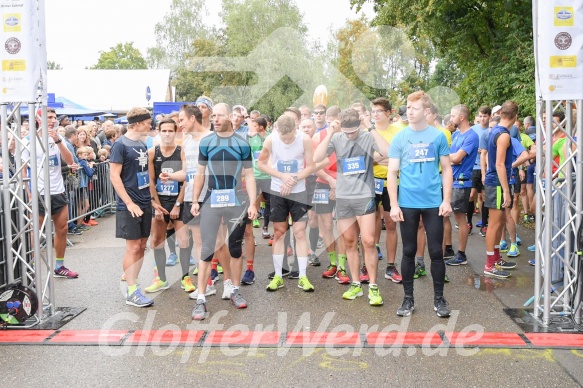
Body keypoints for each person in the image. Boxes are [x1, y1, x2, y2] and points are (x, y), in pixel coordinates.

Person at [314, 108, 390, 306]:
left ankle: (373, 286)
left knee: (368, 241)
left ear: (359, 124)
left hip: (364, 195)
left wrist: (369, 126)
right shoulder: (337, 137)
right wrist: (330, 132)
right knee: (349, 241)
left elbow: (387, 152)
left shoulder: (366, 135)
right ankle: (355, 284)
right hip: (344, 197)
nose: (350, 135)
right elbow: (316, 158)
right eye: (347, 132)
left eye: (353, 131)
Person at [387, 91, 453, 318]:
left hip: (434, 203)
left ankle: (439, 299)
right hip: (407, 204)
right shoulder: (400, 137)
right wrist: (394, 205)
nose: (409, 111)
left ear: (426, 111)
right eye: (408, 107)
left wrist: (446, 200)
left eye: (413, 108)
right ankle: (408, 300)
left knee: (436, 251)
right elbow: (392, 172)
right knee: (408, 251)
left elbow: (447, 170)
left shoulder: (438, 137)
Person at [190, 103, 258, 320]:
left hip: (237, 199)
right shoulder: (207, 141)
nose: (216, 119)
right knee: (207, 249)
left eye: (220, 116)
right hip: (212, 199)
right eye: (214, 116)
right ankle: (201, 298)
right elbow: (200, 174)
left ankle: (235, 291)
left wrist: (254, 203)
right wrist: (194, 200)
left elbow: (250, 174)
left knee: (235, 247)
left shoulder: (242, 143)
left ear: (230, 117)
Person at [259, 115, 317, 293]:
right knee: (279, 232)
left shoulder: (304, 139)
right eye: (283, 137)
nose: (286, 140)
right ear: (277, 130)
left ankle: (302, 276)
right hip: (278, 190)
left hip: (298, 191)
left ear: (295, 129)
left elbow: (311, 166)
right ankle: (278, 276)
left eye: (289, 136)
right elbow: (261, 163)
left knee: (300, 233)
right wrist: (282, 176)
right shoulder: (271, 139)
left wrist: (294, 178)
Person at [23, 108, 78, 278]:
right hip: (39, 191)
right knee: (36, 232)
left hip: (58, 190)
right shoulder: (28, 140)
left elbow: (70, 161)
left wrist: (58, 141)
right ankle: (33, 265)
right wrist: (29, 194)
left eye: (54, 117)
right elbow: (23, 170)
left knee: (62, 228)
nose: (53, 120)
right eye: (49, 117)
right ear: (38, 119)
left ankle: (59, 266)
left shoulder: (58, 138)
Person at [109, 107, 154, 307]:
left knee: (142, 245)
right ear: (136, 123)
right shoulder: (120, 145)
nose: (150, 125)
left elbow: (143, 175)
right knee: (133, 246)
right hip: (129, 205)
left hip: (145, 202)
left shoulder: (141, 144)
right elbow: (114, 176)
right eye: (147, 121)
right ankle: (132, 291)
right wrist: (128, 202)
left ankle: (134, 287)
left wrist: (152, 200)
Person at [144, 118, 192, 293]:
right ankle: (161, 279)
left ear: (175, 132)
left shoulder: (181, 151)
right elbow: (150, 179)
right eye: (163, 131)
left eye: (170, 131)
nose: (167, 134)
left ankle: (186, 278)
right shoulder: (152, 152)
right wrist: (155, 204)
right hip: (159, 201)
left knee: (184, 240)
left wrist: (178, 204)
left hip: (179, 200)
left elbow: (187, 178)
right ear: (158, 132)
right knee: (156, 240)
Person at [482, 101, 519, 279]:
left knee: (500, 222)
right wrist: (505, 190)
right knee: (495, 224)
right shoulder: (503, 135)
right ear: (515, 116)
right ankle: (490, 264)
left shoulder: (495, 130)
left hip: (495, 182)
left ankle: (496, 258)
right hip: (497, 183)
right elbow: (499, 164)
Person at [369, 97, 402, 283]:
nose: (375, 114)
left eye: (379, 111)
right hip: (370, 181)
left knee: (390, 224)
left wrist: (380, 157)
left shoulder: (397, 133)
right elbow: (366, 159)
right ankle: (368, 264)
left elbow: (398, 158)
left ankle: (391, 266)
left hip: (391, 182)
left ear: (388, 113)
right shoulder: (367, 133)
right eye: (373, 111)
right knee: (370, 223)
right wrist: (383, 157)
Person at [444, 104, 479, 266]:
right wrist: (449, 157)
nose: (451, 119)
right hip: (451, 181)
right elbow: (452, 157)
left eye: (453, 116)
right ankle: (448, 249)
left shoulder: (471, 136)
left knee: (460, 219)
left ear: (462, 117)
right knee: (444, 216)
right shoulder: (457, 134)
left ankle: (462, 254)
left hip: (462, 182)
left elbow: (457, 158)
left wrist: (446, 157)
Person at [471, 106, 491, 237]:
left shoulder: (493, 130)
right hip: (473, 166)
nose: (482, 119)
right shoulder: (473, 130)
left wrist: (485, 151)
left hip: (486, 167)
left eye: (485, 116)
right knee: (471, 195)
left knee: (484, 197)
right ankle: (468, 222)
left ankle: (484, 224)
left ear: (489, 116)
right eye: (480, 116)